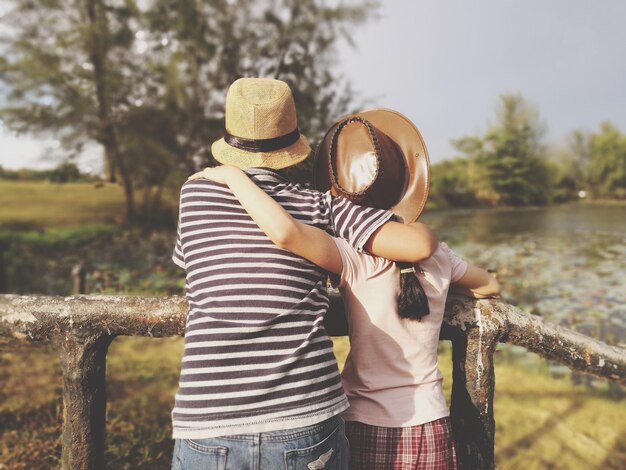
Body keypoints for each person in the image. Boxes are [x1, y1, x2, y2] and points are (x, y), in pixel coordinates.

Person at [189, 108, 500, 470]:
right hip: (430, 422)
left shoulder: (348, 255)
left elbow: (286, 233)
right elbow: (488, 284)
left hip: (363, 420)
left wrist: (233, 179)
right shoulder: (440, 254)